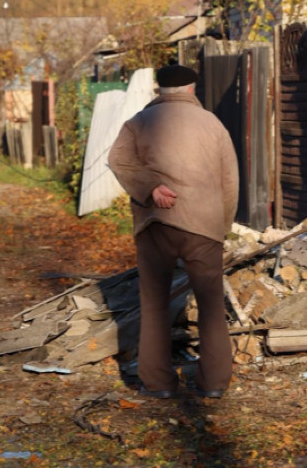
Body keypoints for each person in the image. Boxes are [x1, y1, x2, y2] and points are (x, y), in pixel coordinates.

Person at [107, 64, 239, 399]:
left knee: (153, 304)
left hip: (157, 224)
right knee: (211, 306)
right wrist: (221, 227)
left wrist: (151, 188)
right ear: (192, 89)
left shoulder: (139, 122)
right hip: (204, 228)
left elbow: (118, 160)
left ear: (159, 89)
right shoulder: (213, 124)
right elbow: (230, 181)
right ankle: (214, 384)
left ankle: (159, 383)